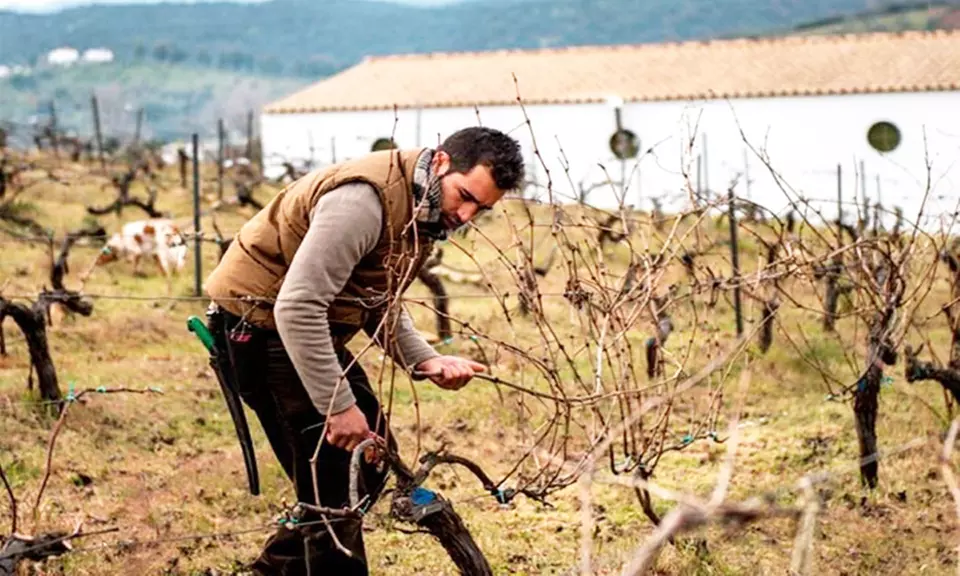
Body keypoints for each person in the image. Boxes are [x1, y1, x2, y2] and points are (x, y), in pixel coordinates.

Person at [202, 126, 525, 575]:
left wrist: (424, 358)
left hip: (306, 330)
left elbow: (373, 298)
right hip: (260, 330)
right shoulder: (363, 201)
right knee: (336, 481)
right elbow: (297, 307)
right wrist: (337, 406)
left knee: (368, 467)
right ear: (443, 163)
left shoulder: (424, 205)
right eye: (465, 196)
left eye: (481, 208)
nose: (467, 215)